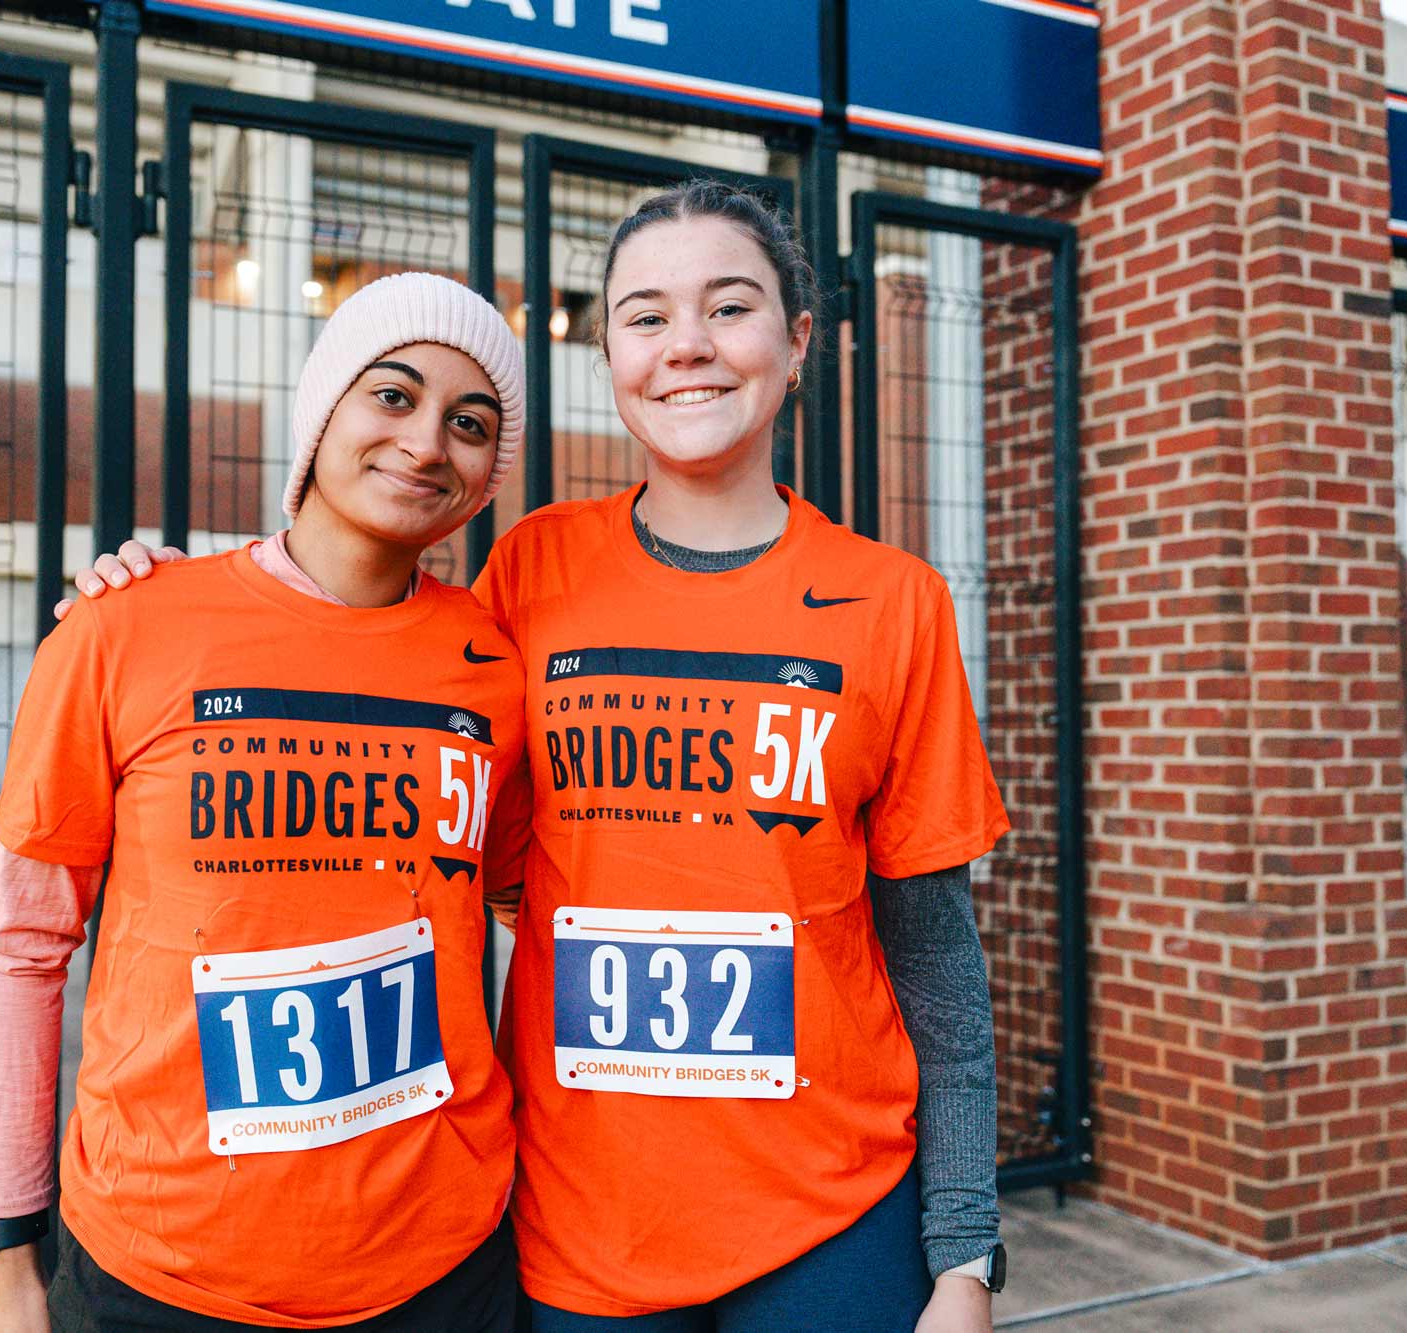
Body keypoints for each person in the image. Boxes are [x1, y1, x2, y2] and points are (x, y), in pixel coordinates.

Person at [66, 184, 1009, 1333]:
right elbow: (391, 709)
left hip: (830, 1205)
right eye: (644, 316)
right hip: (580, 1220)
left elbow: (936, 961)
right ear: (605, 349)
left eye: (729, 305)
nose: (688, 347)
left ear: (797, 338)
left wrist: (964, 1254)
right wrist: (159, 599)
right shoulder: (528, 573)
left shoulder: (893, 602)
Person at [0, 272, 534, 1332]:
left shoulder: (490, 663)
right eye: (393, 395)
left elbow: (528, 908)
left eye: (471, 424)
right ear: (323, 411)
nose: (426, 444)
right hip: (161, 1269)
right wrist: (11, 1261)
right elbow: (20, 943)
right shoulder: (123, 627)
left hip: (442, 1266)